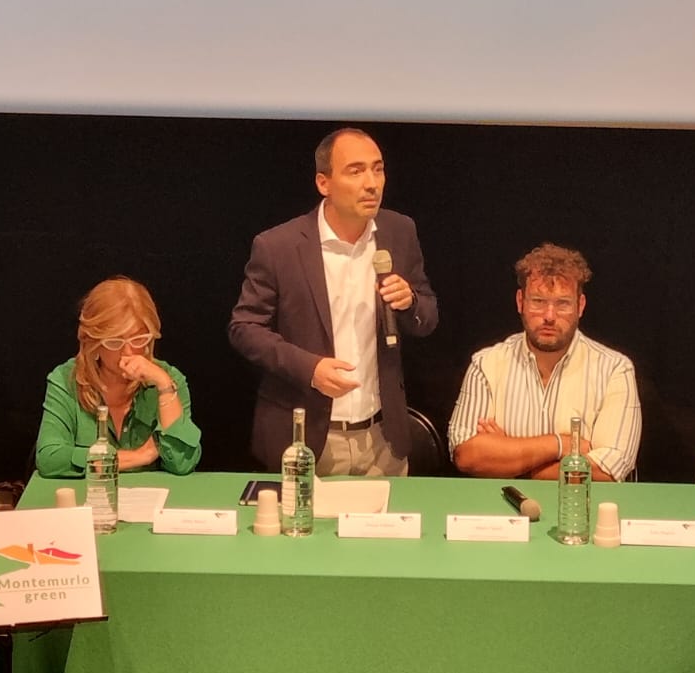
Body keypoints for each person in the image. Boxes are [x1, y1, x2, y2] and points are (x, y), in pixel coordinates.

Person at [229, 127, 438, 476]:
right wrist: (311, 369)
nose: (372, 183)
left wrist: (411, 302)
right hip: (308, 439)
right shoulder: (279, 246)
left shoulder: (399, 231)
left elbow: (428, 316)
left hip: (382, 439)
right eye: (355, 171)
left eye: (378, 169)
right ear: (323, 183)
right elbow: (245, 328)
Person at [448, 243, 640, 482]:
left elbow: (608, 470)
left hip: (581, 503)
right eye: (538, 301)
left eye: (562, 304)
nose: (549, 316)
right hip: (502, 503)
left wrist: (511, 460)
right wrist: (561, 444)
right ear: (520, 301)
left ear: (580, 306)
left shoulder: (615, 370)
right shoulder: (486, 364)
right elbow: (467, 456)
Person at [35, 276, 202, 478]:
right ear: (92, 343)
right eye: (114, 342)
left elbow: (182, 463)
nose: (128, 352)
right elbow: (49, 458)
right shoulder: (65, 379)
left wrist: (165, 387)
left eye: (138, 340)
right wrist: (140, 456)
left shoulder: (168, 379)